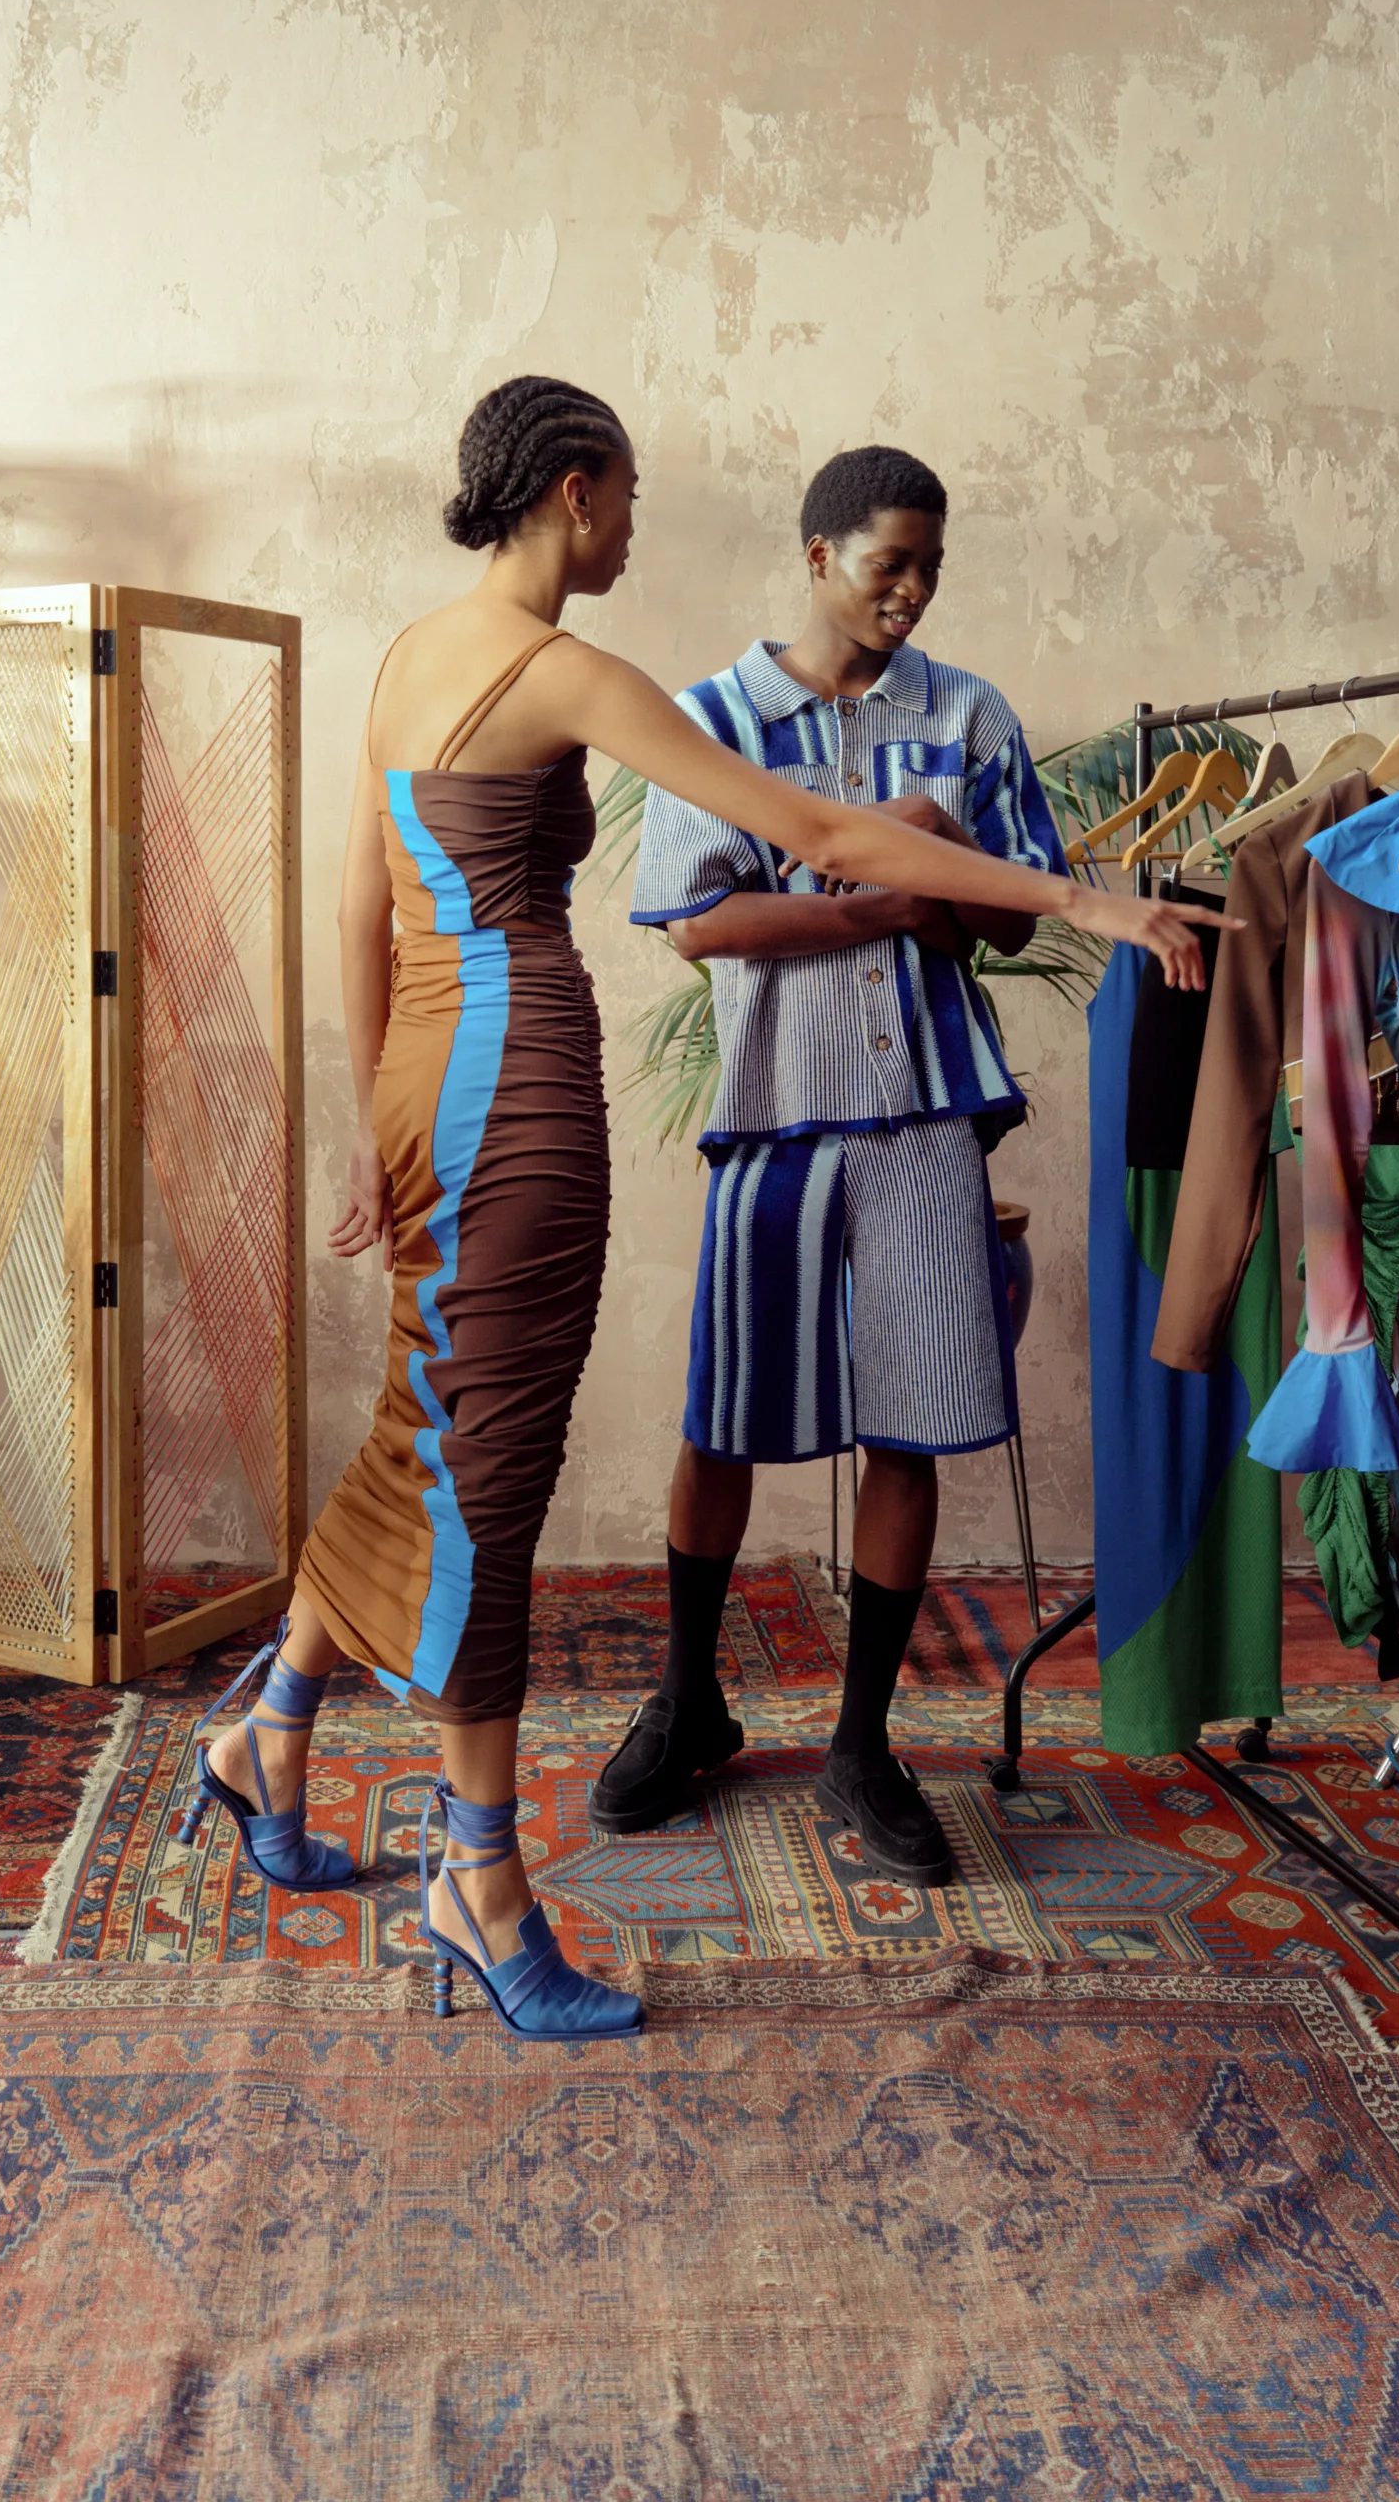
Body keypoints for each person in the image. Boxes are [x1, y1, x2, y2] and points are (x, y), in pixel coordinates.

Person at [187, 377, 1219, 2042]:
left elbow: (361, 904)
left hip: (430, 1079)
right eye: (631, 495)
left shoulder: (404, 656)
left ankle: (270, 1735)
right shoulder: (569, 673)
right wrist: (1082, 891)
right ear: (576, 492)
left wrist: (370, 1125)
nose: (638, 523)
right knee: (488, 1469)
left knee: (420, 1428)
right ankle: (479, 1882)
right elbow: (808, 830)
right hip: (514, 1087)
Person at [590, 442, 1060, 1887]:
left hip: (925, 1114)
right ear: (817, 555)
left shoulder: (971, 722)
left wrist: (923, 862)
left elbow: (1009, 924)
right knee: (722, 1416)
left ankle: (864, 1742)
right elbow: (702, 926)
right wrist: (887, 893)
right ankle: (690, 1700)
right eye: (886, 564)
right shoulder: (715, 722)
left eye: (929, 566)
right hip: (775, 1110)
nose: (911, 591)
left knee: (910, 1423)